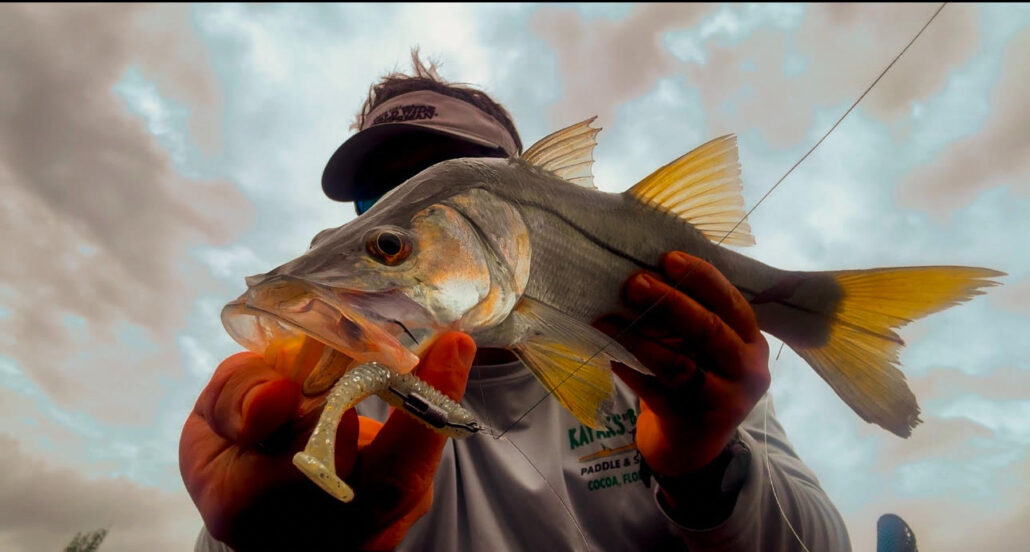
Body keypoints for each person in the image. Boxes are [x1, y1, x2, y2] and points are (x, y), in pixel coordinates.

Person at [182, 54, 852, 551]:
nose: (397, 213)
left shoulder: (679, 359)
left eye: (431, 187)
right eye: (377, 203)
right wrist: (256, 538)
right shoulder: (338, 404)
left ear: (527, 200)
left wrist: (702, 462)